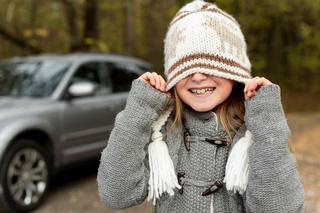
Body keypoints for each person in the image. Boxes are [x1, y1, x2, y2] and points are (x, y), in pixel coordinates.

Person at [97, 1, 304, 212]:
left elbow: (281, 208)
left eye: (210, 65)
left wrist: (267, 118)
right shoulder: (162, 129)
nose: (197, 76)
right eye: (185, 68)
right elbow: (116, 194)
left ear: (235, 73)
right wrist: (138, 110)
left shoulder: (252, 131)